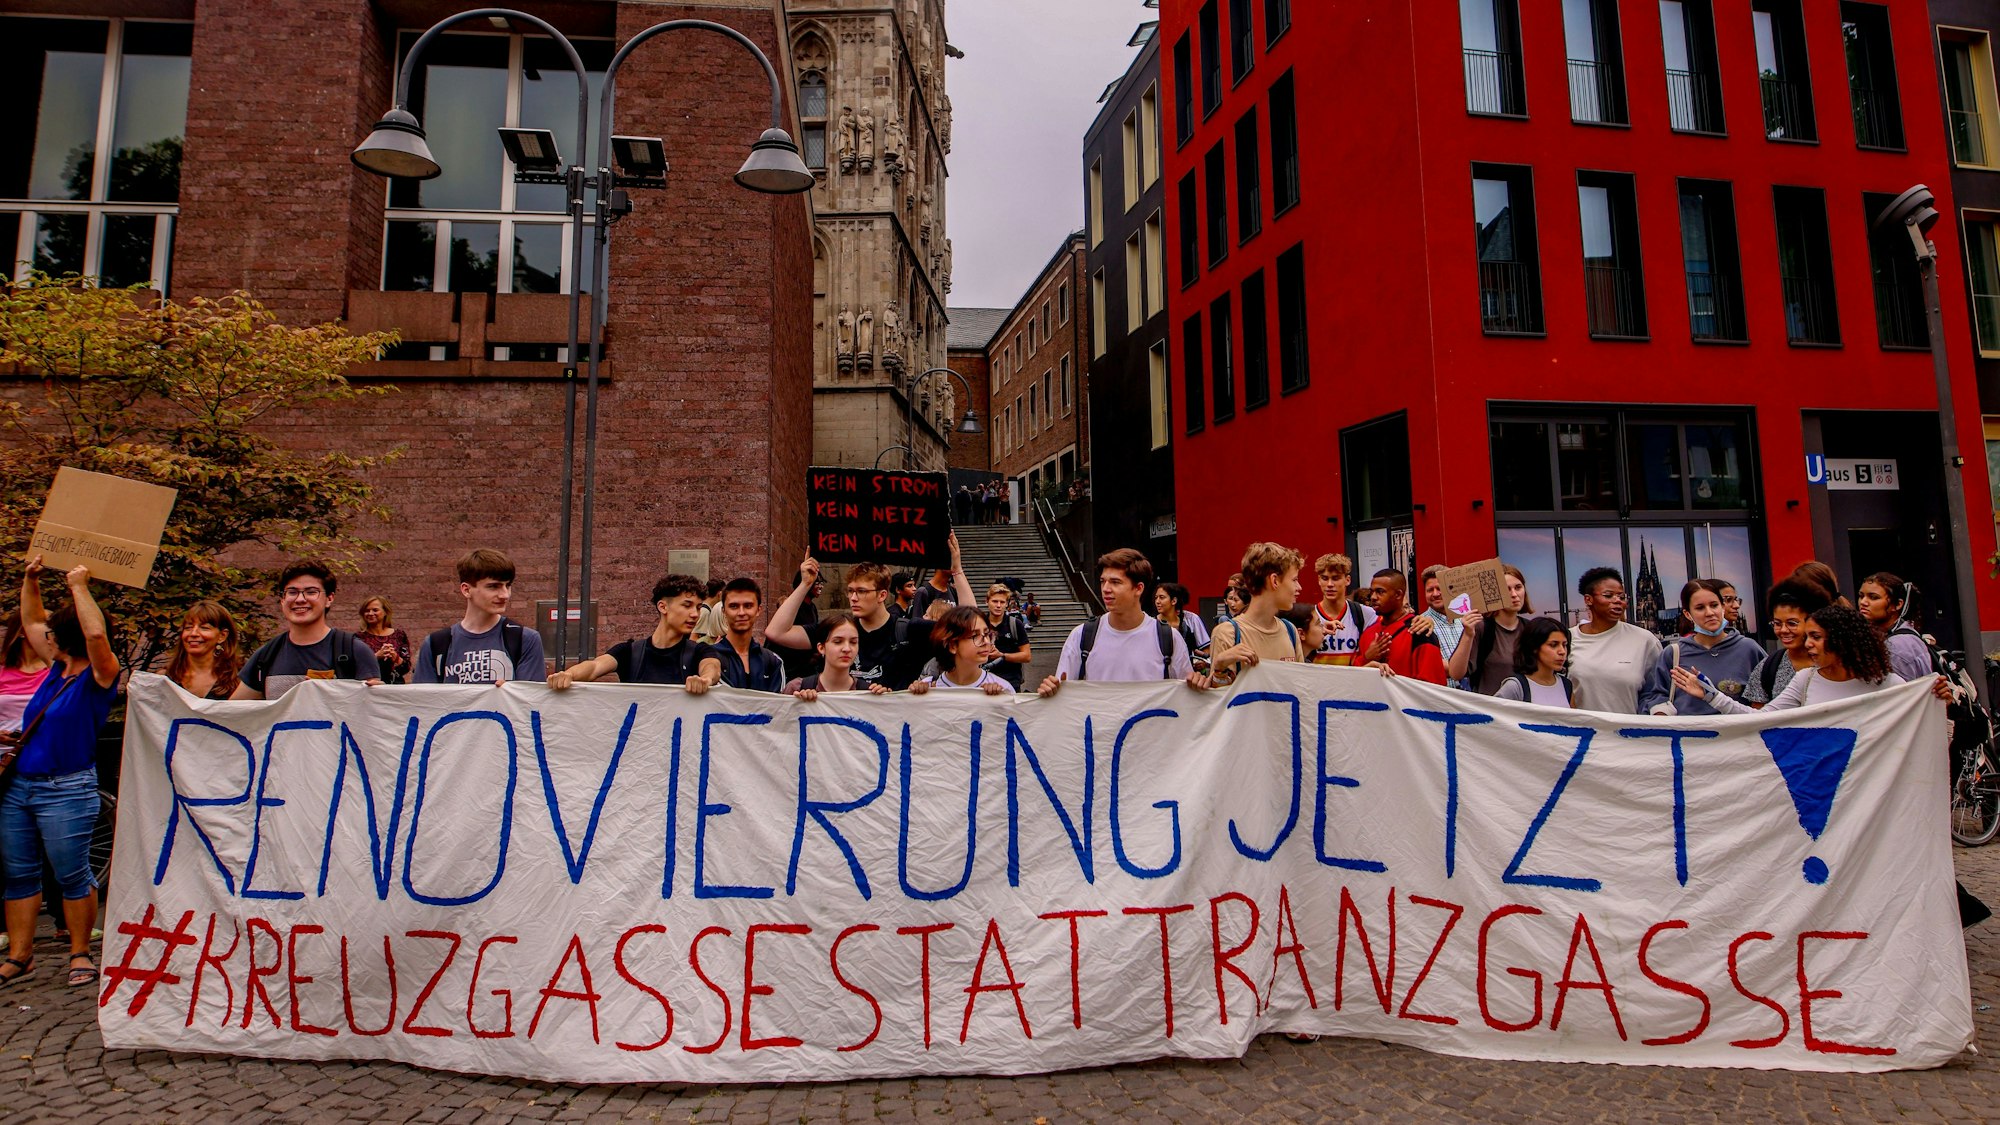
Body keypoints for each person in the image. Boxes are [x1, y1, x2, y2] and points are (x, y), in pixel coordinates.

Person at [2, 557, 120, 989]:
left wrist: (79, 586)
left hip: (67, 789)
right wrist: (31, 579)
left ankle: (79, 952)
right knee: (19, 873)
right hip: (20, 787)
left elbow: (94, 633)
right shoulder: (56, 668)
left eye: (53, 631)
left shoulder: (100, 675)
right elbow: (31, 618)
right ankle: (21, 955)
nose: (43, 634)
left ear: (63, 636)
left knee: (72, 874)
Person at [770, 539, 974, 690]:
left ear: (882, 595)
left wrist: (957, 572)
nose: (853, 598)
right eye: (850, 591)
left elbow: (969, 624)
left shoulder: (909, 630)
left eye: (861, 591)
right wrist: (805, 584)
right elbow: (777, 632)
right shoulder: (839, 630)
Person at [1680, 604, 1948, 713]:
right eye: (1807, 636)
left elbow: (1919, 728)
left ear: (1843, 641)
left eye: (1816, 637)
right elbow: (1758, 718)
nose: (1807, 644)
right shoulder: (1805, 679)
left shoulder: (1887, 683)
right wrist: (1711, 695)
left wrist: (1936, 700)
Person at [1040, 548, 1197, 694]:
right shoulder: (1081, 636)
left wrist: (1200, 683)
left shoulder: (1168, 638)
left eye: (1115, 582)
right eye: (1103, 581)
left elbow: (1187, 695)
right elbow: (1062, 693)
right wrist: (1051, 690)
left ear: (1138, 588)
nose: (1105, 589)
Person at [547, 573, 718, 691]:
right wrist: (568, 675)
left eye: (697, 607)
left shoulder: (700, 651)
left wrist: (705, 680)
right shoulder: (630, 652)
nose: (695, 614)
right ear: (663, 606)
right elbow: (594, 666)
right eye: (687, 605)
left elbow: (711, 666)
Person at [234, 561, 381, 698]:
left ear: (329, 599)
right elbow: (231, 714)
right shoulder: (266, 656)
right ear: (282, 600)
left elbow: (371, 714)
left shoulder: (354, 651)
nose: (300, 599)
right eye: (292, 592)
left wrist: (382, 696)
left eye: (311, 592)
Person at [413, 549, 546, 685]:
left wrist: (510, 694)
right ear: (466, 590)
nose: (504, 595)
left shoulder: (525, 639)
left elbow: (531, 700)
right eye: (494, 587)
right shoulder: (436, 644)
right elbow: (423, 701)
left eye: (508, 585)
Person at [1640, 579, 1765, 716]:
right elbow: (1653, 696)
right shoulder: (1673, 653)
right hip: (1689, 736)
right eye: (1700, 608)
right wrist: (1660, 712)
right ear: (1688, 614)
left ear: (1722, 607)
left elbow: (1772, 697)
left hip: (1739, 736)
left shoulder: (1749, 649)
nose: (1709, 613)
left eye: (1714, 605)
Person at [1565, 567, 1661, 714]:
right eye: (1608, 595)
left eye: (1621, 597)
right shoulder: (1567, 640)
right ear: (1588, 599)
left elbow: (1657, 693)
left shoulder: (1645, 640)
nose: (1617, 601)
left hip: (1628, 734)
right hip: (1582, 734)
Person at [1208, 543, 1307, 685]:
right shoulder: (1227, 634)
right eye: (1294, 580)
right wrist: (1220, 668)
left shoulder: (1290, 630)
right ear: (1274, 581)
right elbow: (1220, 699)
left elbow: (1300, 688)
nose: (1299, 587)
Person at [1743, 580, 1832, 707]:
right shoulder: (1767, 668)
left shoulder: (1833, 663)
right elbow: (1759, 718)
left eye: (1792, 623)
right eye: (1777, 623)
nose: (1783, 630)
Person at [1358, 569, 1447, 683]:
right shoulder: (1368, 633)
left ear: (1398, 594)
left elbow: (1433, 688)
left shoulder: (1420, 632)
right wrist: (1367, 657)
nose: (1373, 597)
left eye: (1380, 592)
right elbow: (1354, 681)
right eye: (1372, 592)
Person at [784, 613, 892, 700]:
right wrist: (798, 705)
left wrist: (885, 701)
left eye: (853, 642)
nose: (847, 649)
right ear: (821, 648)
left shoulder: (869, 693)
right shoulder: (797, 688)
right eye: (838, 641)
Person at [1856, 572, 1937, 686]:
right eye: (1861, 596)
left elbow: (1901, 698)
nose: (1863, 602)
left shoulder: (1896, 647)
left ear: (1898, 605)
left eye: (1874, 597)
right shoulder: (1904, 633)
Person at [708, 578, 788, 692]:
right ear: (724, 611)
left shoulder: (773, 662)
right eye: (734, 606)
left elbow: (779, 706)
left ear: (758, 610)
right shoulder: (707, 658)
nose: (741, 613)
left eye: (748, 606)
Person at [911, 606, 1012, 694]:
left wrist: (1000, 701)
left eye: (986, 634)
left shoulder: (1003, 688)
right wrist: (915, 697)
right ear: (952, 645)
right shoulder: (928, 687)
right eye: (974, 635)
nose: (986, 641)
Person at [1466, 565, 1533, 695]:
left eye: (1518, 587)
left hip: (1525, 709)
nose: (1514, 594)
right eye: (1506, 589)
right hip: (1491, 709)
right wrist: (1467, 635)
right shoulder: (1481, 627)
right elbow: (1457, 672)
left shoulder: (1530, 629)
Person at [164, 601, 243, 700]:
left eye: (204, 628)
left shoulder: (240, 680)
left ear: (222, 636)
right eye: (188, 627)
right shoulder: (164, 679)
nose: (193, 633)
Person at [1309, 553, 1377, 666]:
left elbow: (1393, 625)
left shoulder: (1364, 614)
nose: (1330, 584)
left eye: (1336, 578)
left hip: (1352, 682)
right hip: (1319, 682)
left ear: (1348, 580)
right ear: (1319, 580)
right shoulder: (1309, 616)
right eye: (1325, 578)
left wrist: (1417, 620)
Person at [1418, 564, 1479, 687]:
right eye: (1430, 590)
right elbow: (1429, 664)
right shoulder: (1420, 624)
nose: (1435, 594)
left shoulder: (1467, 620)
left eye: (1439, 588)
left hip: (1472, 698)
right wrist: (1457, 667)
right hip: (1442, 699)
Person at [1494, 618, 1575, 708]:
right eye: (1553, 645)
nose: (1562, 651)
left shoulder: (1566, 685)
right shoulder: (1515, 686)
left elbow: (1573, 720)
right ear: (1534, 647)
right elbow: (1493, 717)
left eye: (1564, 645)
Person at [0, 612, 51, 730]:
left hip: (43, 746)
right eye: (46, 624)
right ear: (23, 631)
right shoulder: (2, 671)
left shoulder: (57, 671)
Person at [982, 583, 1032, 691]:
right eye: (995, 601)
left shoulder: (1015, 624)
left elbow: (1027, 656)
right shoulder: (979, 624)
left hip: (1011, 681)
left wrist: (1001, 656)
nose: (998, 605)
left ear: (1007, 604)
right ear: (987, 601)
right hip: (983, 681)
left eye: (1002, 602)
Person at [356, 596, 411, 684]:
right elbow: (355, 667)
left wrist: (395, 656)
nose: (370, 613)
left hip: (395, 688)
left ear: (385, 612)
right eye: (367, 611)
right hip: (370, 688)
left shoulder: (399, 635)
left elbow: (406, 667)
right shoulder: (357, 638)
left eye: (375, 610)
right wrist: (376, 656)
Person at [1153, 582, 1210, 654]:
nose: (1157, 601)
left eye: (1162, 597)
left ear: (1174, 601)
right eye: (1156, 598)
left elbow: (1206, 648)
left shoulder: (1188, 623)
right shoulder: (1152, 624)